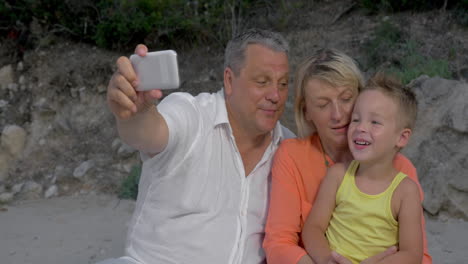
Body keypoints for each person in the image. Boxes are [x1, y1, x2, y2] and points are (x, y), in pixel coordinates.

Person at [101, 28, 294, 264]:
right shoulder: (193, 115)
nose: (275, 95)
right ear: (229, 80)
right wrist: (134, 112)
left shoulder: (289, 148)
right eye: (262, 82)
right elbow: (149, 133)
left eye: (283, 84)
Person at [263, 49, 432, 264]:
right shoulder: (293, 156)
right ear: (307, 112)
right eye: (323, 105)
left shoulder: (401, 170)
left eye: (346, 98)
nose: (338, 115)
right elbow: (279, 243)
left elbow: (420, 256)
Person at [302, 73, 423, 264]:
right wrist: (327, 260)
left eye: (374, 122)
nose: (361, 128)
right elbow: (313, 228)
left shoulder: (405, 191)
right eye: (356, 119)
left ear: (401, 138)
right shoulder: (338, 176)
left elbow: (412, 254)